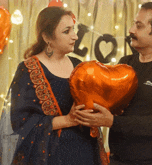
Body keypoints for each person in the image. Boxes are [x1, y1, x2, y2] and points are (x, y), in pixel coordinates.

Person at [74, 2, 152, 165]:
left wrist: (113, 122)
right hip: (117, 159)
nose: (131, 30)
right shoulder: (125, 63)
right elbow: (111, 104)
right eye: (134, 24)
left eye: (139, 25)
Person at [0, 6, 106, 165]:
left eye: (74, 30)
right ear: (47, 37)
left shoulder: (80, 66)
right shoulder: (28, 70)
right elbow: (16, 124)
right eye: (67, 31)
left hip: (84, 152)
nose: (75, 36)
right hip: (48, 157)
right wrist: (67, 120)